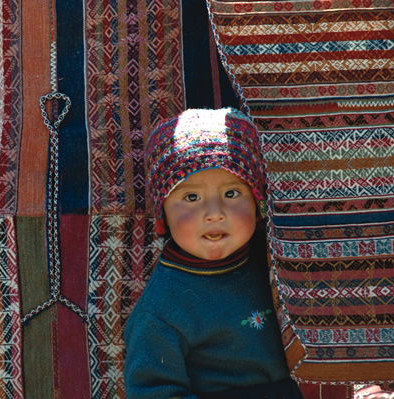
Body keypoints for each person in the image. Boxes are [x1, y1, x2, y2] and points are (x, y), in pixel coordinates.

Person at [124, 108, 303, 398]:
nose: (215, 214)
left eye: (232, 193)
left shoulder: (280, 262)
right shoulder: (161, 311)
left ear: (257, 201)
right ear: (162, 214)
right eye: (191, 197)